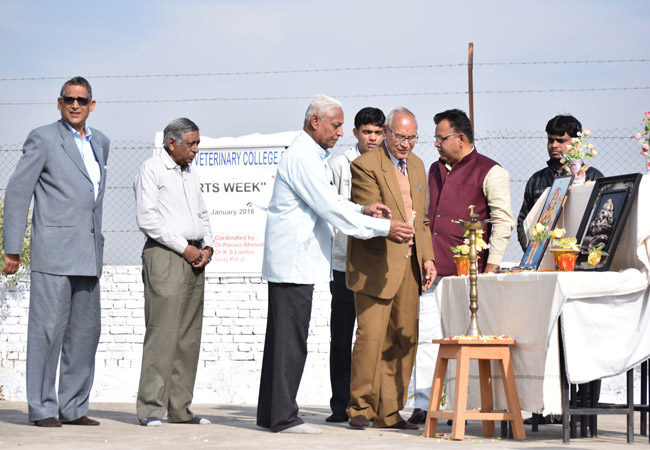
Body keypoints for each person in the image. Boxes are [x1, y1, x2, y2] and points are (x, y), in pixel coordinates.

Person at [257, 95, 413, 435]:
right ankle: (283, 417)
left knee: (284, 340)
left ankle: (272, 413)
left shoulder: (312, 156)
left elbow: (335, 203)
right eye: (336, 125)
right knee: (289, 341)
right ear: (315, 122)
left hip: (296, 262)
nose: (341, 133)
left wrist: (363, 210)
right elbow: (329, 208)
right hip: (293, 262)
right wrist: (385, 227)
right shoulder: (303, 156)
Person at [2, 76, 110, 427]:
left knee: (84, 334)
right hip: (54, 252)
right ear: (59, 103)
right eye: (69, 99)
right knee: (46, 333)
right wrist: (13, 249)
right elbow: (19, 193)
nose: (75, 105)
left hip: (89, 255)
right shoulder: (44, 138)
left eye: (82, 100)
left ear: (92, 105)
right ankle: (44, 408)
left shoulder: (102, 144)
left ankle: (74, 407)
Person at [408, 108, 515, 425]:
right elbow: (424, 217)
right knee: (426, 339)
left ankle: (468, 406)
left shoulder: (491, 172)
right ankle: (425, 405)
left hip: (470, 277)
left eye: (441, 138)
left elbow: (502, 222)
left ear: (462, 139)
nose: (436, 144)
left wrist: (491, 268)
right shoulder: (433, 170)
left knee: (467, 344)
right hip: (431, 272)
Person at [346, 107, 436, 430]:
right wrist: (387, 225)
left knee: (404, 338)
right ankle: (360, 408)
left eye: (412, 137)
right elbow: (370, 216)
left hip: (411, 265)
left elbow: (422, 220)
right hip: (376, 265)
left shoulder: (418, 166)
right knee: (371, 338)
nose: (406, 144)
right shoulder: (365, 166)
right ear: (386, 132)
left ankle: (390, 412)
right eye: (400, 136)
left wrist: (427, 258)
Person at [133, 118, 213, 427]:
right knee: (163, 333)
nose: (195, 149)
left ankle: (181, 409)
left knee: (189, 336)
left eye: (197, 144)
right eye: (191, 144)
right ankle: (151, 409)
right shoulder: (151, 170)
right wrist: (184, 247)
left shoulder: (190, 173)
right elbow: (148, 218)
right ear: (171, 143)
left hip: (195, 256)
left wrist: (208, 246)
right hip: (166, 255)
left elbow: (203, 213)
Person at [326, 106, 385, 423]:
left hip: (376, 263)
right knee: (341, 335)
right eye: (367, 132)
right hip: (343, 264)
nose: (373, 138)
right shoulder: (339, 164)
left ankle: (367, 404)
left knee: (372, 335)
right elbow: (329, 208)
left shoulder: (388, 165)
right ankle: (340, 404)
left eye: (378, 132)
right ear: (356, 133)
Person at [517, 114, 604, 251]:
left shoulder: (592, 177)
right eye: (550, 140)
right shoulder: (537, 180)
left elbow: (601, 222)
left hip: (580, 255)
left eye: (561, 140)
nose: (554, 145)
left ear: (577, 142)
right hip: (543, 254)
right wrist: (532, 251)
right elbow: (524, 222)